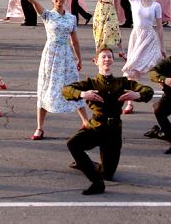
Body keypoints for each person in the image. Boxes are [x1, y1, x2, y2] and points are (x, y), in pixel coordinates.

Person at [62, 46, 154, 195]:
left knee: (108, 174)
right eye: (103, 57)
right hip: (96, 127)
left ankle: (85, 164)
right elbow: (65, 90)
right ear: (96, 61)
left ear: (113, 60)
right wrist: (83, 94)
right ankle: (97, 183)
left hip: (113, 132)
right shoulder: (90, 83)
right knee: (73, 144)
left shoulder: (122, 82)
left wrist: (138, 96)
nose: (107, 59)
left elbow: (147, 90)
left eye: (109, 57)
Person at [13, 0, 89, 140]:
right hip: (51, 55)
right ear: (52, 0)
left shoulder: (71, 18)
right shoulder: (47, 14)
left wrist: (79, 58)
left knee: (73, 85)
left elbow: (74, 40)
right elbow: (33, 1)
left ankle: (86, 121)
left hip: (66, 56)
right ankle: (39, 128)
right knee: (45, 88)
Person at [113, 0, 165, 114]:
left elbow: (160, 27)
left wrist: (162, 47)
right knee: (132, 70)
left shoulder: (156, 6)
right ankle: (129, 103)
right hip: (137, 37)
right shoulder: (134, 0)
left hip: (150, 38)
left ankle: (170, 94)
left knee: (155, 68)